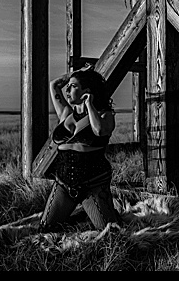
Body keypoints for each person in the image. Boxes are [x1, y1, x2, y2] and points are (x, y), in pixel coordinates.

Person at [39, 66, 121, 233]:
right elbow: (54, 84)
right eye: (67, 87)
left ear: (87, 91)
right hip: (64, 183)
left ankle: (103, 209)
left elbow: (99, 131)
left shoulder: (105, 115)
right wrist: (75, 75)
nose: (68, 90)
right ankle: (81, 213)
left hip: (93, 184)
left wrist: (89, 104)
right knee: (46, 228)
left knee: (108, 232)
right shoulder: (65, 113)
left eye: (74, 86)